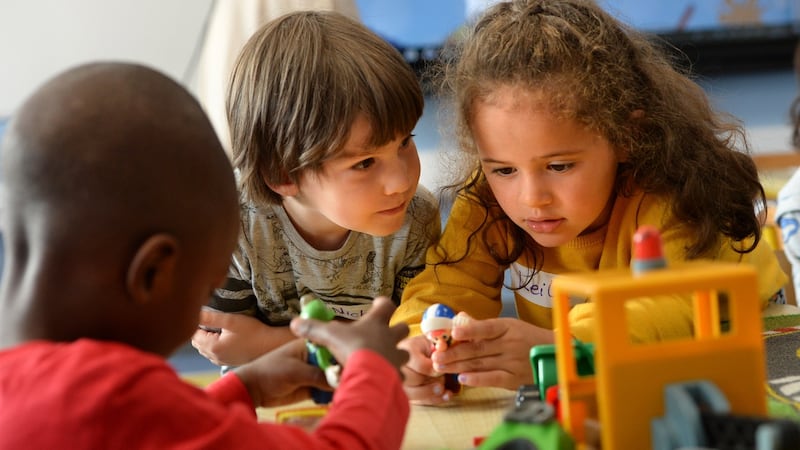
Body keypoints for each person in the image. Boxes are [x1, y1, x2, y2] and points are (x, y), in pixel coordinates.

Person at [390, 0, 788, 405]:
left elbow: (664, 307)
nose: (532, 198)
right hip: (609, 370)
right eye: (504, 169)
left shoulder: (667, 195)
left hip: (753, 343)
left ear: (625, 137)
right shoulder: (487, 201)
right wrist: (419, 343)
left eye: (560, 166)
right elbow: (450, 283)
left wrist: (562, 351)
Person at [0, 62, 411, 449]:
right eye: (208, 284)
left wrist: (241, 389)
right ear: (153, 273)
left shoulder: (35, 391)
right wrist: (371, 369)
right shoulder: (110, 401)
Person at [191, 10, 440, 367]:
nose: (402, 181)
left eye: (405, 142)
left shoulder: (415, 217)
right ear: (283, 174)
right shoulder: (231, 225)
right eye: (365, 163)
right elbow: (223, 344)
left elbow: (406, 345)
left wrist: (270, 342)